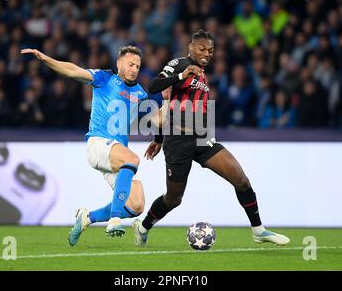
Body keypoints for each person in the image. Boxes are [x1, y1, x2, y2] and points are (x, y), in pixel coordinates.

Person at [132, 30, 290, 246]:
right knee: (173, 198)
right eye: (202, 48)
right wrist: (180, 76)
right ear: (190, 47)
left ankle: (258, 230)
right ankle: (143, 226)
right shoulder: (179, 64)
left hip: (202, 138)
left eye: (211, 50)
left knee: (241, 179)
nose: (207, 53)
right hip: (178, 141)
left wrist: (158, 138)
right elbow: (153, 87)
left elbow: (168, 104)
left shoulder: (202, 74)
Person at [21, 46, 157, 245]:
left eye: (137, 66)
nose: (134, 69)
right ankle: (114, 220)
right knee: (133, 159)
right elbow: (72, 70)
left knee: (136, 205)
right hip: (98, 144)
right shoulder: (105, 78)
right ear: (119, 64)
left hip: (115, 156)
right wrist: (45, 59)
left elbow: (159, 119)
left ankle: (87, 218)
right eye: (130, 64)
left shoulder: (140, 93)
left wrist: (172, 104)